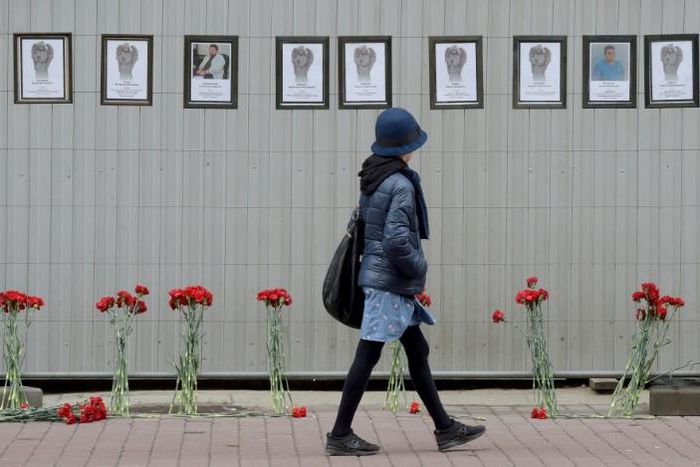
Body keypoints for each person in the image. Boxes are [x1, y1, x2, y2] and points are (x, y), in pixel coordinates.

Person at [325, 108, 486, 456]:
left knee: (417, 350)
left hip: (384, 279)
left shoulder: (374, 175)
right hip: (390, 282)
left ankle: (445, 428)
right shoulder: (399, 182)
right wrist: (418, 267)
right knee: (367, 355)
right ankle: (339, 434)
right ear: (405, 145)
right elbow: (397, 240)